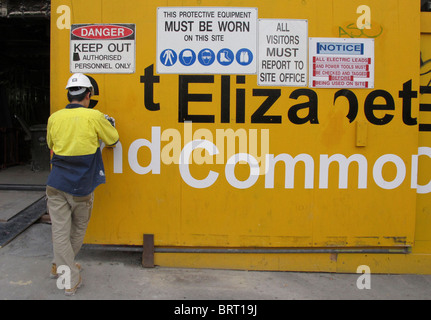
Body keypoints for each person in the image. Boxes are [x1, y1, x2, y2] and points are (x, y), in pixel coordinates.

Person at [46, 73, 119, 296]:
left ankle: (60, 266)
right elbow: (113, 140)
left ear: (69, 94)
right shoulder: (94, 116)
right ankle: (68, 281)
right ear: (88, 95)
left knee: (60, 231)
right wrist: (108, 124)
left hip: (56, 184)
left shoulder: (54, 118)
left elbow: (51, 145)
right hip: (81, 187)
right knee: (77, 230)